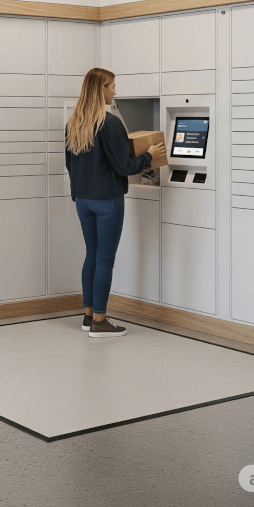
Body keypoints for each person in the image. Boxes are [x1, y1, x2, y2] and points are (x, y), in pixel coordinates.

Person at [65, 68, 166, 338]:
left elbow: (70, 165)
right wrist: (150, 155)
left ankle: (88, 316)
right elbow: (124, 167)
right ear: (101, 90)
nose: (115, 91)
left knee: (92, 255)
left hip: (83, 200)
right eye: (112, 86)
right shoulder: (110, 123)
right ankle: (100, 322)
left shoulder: (74, 123)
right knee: (105, 260)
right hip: (107, 201)